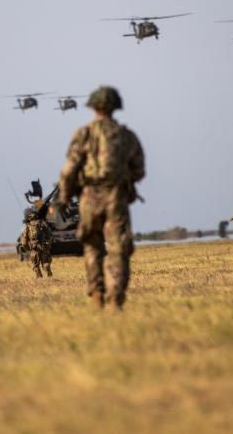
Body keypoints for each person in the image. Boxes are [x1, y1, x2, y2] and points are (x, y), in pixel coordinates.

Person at [59, 86, 145, 310]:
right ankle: (116, 298)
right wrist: (126, 182)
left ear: (93, 106)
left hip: (89, 196)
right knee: (118, 248)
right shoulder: (126, 136)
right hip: (116, 196)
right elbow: (139, 170)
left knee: (92, 247)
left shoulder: (83, 134)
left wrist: (65, 197)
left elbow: (69, 170)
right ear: (116, 106)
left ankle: (97, 293)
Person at [18, 201, 54, 278]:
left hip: (33, 248)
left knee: (36, 265)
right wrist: (48, 244)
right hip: (44, 246)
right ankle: (49, 273)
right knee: (46, 263)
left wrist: (29, 248)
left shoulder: (27, 226)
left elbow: (24, 241)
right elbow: (50, 234)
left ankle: (39, 278)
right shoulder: (42, 223)